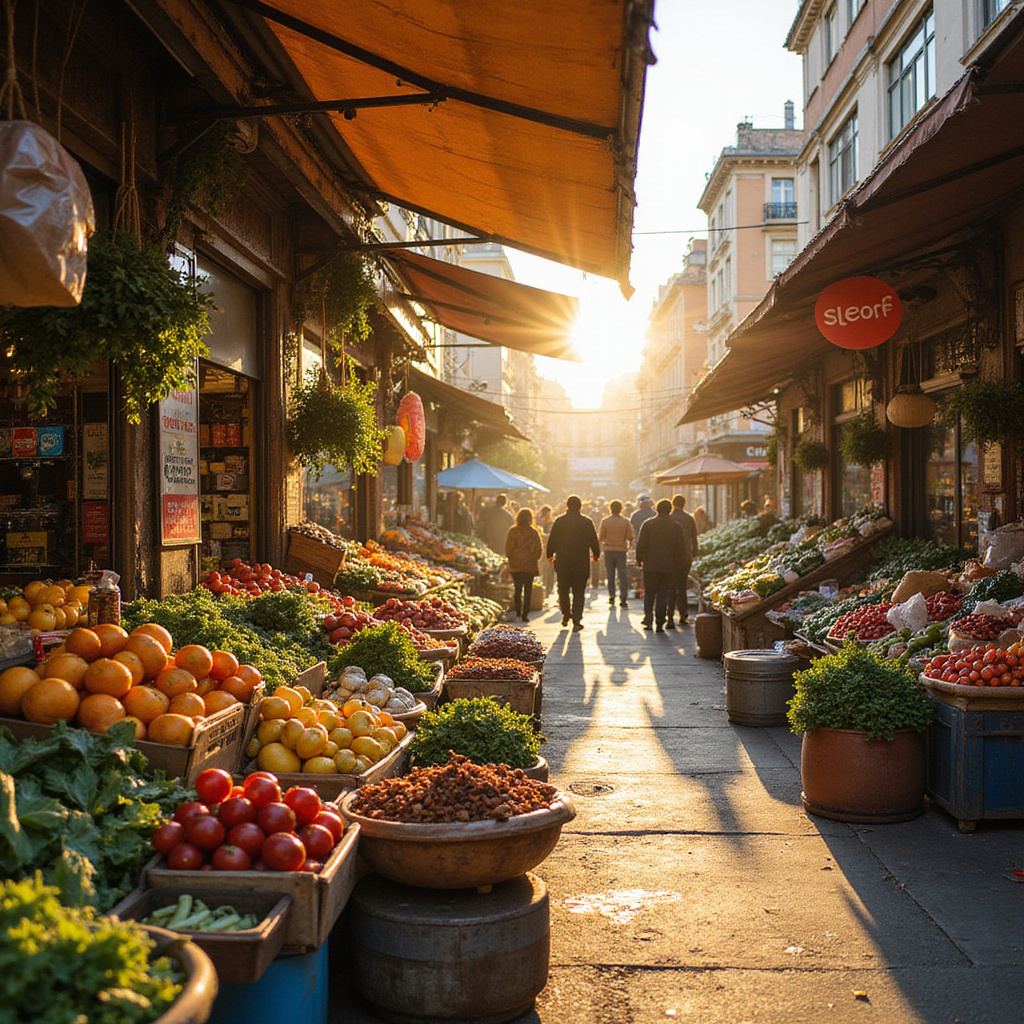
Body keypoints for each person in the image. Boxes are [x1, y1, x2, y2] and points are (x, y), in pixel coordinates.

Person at [546, 495, 600, 632]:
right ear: (580, 507)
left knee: (563, 590)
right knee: (579, 592)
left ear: (567, 506)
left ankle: (565, 614)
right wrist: (596, 554)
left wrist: (549, 554)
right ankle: (576, 620)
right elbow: (594, 540)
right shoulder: (587, 522)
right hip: (581, 562)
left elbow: (552, 539)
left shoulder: (559, 521)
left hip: (563, 561)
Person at [635, 499, 687, 633]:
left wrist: (639, 559)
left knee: (650, 593)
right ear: (670, 510)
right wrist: (679, 564)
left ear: (657, 509)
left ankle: (648, 619)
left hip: (650, 565)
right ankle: (659, 622)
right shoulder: (676, 526)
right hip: (668, 566)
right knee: (663, 595)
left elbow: (641, 545)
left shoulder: (648, 524)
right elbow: (681, 548)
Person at [666, 494, 699, 628]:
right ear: (684, 504)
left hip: (669, 557)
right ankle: (683, 615)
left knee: (670, 587)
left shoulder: (669, 518)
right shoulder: (689, 518)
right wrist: (694, 554)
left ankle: (669, 617)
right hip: (685, 556)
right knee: (681, 586)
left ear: (673, 504)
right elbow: (694, 538)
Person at [505, 507, 543, 622]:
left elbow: (508, 548)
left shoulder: (513, 531)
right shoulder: (534, 532)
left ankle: (518, 612)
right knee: (528, 590)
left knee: (517, 589)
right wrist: (533, 559)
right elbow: (539, 549)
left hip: (516, 565)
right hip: (529, 566)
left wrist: (511, 559)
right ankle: (525, 614)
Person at [598, 500, 634, 607]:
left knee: (610, 575)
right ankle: (623, 598)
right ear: (621, 509)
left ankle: (612, 596)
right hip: (621, 551)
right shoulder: (626, 522)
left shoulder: (605, 521)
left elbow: (601, 537)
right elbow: (630, 538)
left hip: (609, 550)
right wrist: (628, 547)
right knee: (622, 575)